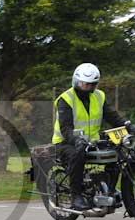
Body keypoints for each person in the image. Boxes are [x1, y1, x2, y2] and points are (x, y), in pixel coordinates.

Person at [52, 63, 129, 210]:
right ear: (76, 81)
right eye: (84, 84)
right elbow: (65, 128)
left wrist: (128, 125)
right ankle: (76, 196)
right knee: (77, 154)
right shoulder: (66, 99)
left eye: (91, 84)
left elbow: (113, 117)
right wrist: (77, 140)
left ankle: (109, 190)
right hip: (65, 142)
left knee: (118, 151)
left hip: (90, 141)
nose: (87, 87)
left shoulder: (99, 96)